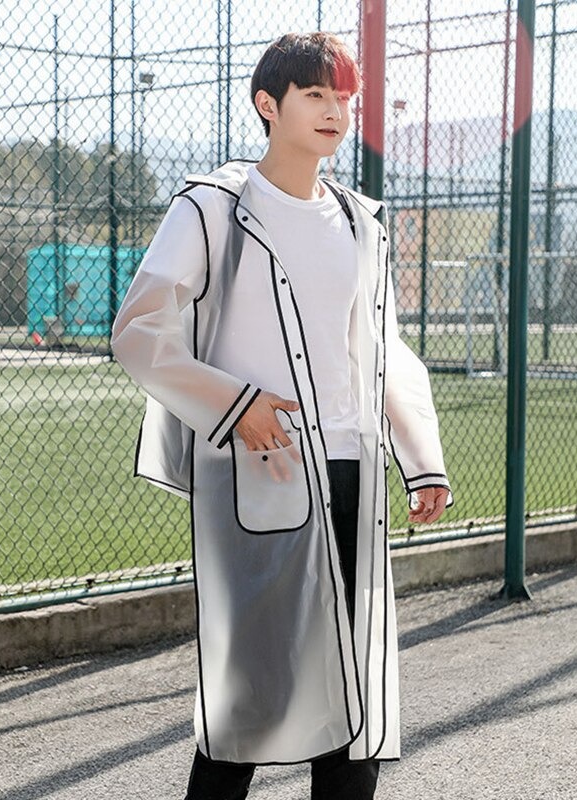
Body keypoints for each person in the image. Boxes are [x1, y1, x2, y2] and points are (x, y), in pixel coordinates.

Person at [111, 31, 452, 800]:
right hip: (262, 472)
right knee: (251, 697)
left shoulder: (362, 222)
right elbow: (139, 330)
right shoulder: (213, 209)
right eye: (315, 94)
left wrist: (421, 458)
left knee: (355, 696)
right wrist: (234, 406)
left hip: (354, 472)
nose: (335, 111)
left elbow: (383, 348)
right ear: (269, 104)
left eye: (344, 98)